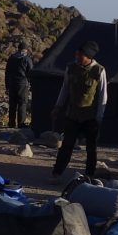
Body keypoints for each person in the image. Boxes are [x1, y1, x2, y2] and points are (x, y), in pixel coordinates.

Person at [50, 41, 106, 180]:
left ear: (88, 56)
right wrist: (58, 107)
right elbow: (64, 89)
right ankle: (57, 173)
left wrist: (99, 117)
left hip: (90, 117)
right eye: (77, 54)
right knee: (66, 146)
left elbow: (102, 95)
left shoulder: (98, 70)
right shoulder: (71, 68)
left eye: (80, 55)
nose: (77, 57)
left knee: (91, 149)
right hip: (72, 115)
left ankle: (90, 175)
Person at [4, 42, 34, 129]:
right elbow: (31, 73)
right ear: (26, 50)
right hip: (22, 84)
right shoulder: (27, 59)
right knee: (22, 103)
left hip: (11, 83)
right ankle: (21, 124)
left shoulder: (11, 58)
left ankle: (11, 123)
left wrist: (7, 86)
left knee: (12, 104)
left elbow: (7, 72)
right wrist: (32, 85)